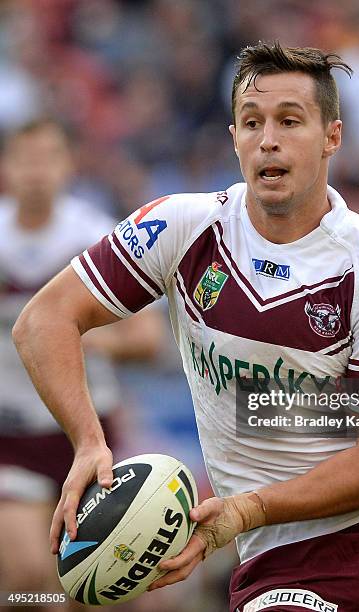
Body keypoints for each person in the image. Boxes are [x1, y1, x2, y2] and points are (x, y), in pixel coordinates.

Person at [13, 44, 359, 612]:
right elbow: (44, 318)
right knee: (25, 585)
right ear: (233, 136)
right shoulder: (181, 227)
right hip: (284, 557)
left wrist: (243, 509)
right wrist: (88, 440)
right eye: (251, 122)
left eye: (290, 121)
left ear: (332, 137)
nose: (268, 139)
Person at [0, 118, 163, 610]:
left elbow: (147, 338)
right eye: (25, 158)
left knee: (91, 590)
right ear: (7, 167)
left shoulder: (94, 237)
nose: (36, 171)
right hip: (13, 435)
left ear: (68, 164)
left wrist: (80, 340)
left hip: (89, 435)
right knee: (26, 580)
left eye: (48, 157)